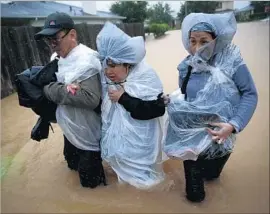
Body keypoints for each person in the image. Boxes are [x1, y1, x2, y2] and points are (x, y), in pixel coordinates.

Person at [163, 12, 258, 202]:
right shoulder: (187, 66)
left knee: (212, 176)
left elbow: (250, 94)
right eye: (192, 41)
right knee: (195, 193)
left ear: (216, 40)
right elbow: (185, 94)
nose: (197, 47)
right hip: (191, 136)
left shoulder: (232, 62)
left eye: (204, 41)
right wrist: (172, 98)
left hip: (220, 134)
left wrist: (233, 125)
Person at [34, 12, 106, 188]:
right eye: (48, 40)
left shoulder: (87, 60)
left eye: (55, 39)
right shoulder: (57, 58)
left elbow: (91, 99)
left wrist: (49, 90)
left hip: (89, 132)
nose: (52, 45)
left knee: (91, 186)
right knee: (71, 166)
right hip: (69, 129)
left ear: (72, 35)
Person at [96, 22, 166, 189]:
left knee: (145, 183)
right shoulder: (110, 80)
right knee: (124, 180)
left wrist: (123, 98)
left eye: (113, 65)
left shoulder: (146, 77)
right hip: (122, 145)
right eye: (106, 66)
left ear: (127, 63)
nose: (108, 71)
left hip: (142, 144)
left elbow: (157, 109)